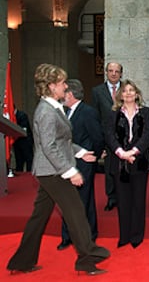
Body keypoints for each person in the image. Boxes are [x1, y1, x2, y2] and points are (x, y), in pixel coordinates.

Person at [7, 64, 109, 275]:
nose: (66, 86)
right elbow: (49, 146)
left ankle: (22, 261)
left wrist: (81, 153)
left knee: (39, 217)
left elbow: (62, 141)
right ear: (52, 86)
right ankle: (86, 258)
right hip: (52, 171)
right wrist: (71, 172)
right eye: (62, 83)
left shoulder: (53, 107)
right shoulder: (46, 111)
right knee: (76, 213)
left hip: (48, 170)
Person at [57, 79, 104, 250]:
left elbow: (98, 137)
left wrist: (94, 156)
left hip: (83, 164)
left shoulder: (88, 112)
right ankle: (67, 236)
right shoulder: (62, 111)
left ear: (70, 94)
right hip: (65, 164)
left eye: (64, 91)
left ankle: (88, 236)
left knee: (84, 201)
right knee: (66, 201)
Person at [105, 79, 149, 249]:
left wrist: (133, 152)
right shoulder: (114, 114)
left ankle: (137, 236)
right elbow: (109, 136)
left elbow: (148, 135)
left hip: (139, 162)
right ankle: (124, 236)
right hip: (119, 163)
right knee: (123, 201)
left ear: (137, 93)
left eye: (131, 90)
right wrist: (122, 153)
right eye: (125, 91)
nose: (129, 93)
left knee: (138, 201)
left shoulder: (145, 112)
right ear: (120, 95)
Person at [92, 62, 123, 211]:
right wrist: (100, 142)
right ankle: (111, 198)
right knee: (110, 169)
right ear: (106, 72)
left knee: (124, 169)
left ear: (121, 74)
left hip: (125, 137)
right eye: (110, 71)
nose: (113, 74)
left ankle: (124, 197)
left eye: (117, 71)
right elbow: (96, 117)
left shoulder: (127, 89)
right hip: (107, 137)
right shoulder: (97, 91)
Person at [13, 107, 34, 171]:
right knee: (19, 160)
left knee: (29, 159)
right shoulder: (12, 117)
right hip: (17, 142)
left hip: (26, 142)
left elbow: (24, 129)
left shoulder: (22, 115)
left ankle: (29, 174)